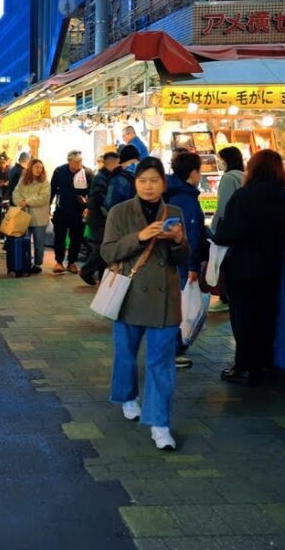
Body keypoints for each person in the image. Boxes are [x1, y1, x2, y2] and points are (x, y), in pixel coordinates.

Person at [101, 157, 190, 451]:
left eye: (154, 180)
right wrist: (139, 237)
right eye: (142, 181)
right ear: (135, 183)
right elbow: (107, 252)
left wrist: (178, 240)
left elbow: (183, 258)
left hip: (165, 300)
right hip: (129, 295)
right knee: (126, 354)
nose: (148, 187)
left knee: (161, 364)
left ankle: (160, 424)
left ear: (163, 183)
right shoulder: (119, 212)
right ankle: (127, 396)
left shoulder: (174, 211)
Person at [211, 149, 285, 386]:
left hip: (243, 268)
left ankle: (244, 367)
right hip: (272, 267)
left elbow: (229, 232)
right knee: (265, 317)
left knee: (244, 318)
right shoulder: (282, 197)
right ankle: (265, 365)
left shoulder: (245, 196)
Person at [165, 151, 207, 369]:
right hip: (181, 265)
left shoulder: (176, 193)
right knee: (177, 308)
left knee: (175, 307)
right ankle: (172, 350)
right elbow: (189, 235)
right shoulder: (186, 200)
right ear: (192, 173)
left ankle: (173, 347)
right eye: (199, 171)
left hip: (174, 262)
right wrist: (192, 266)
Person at [81, 151, 121, 286]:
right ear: (112, 163)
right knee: (101, 248)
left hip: (100, 217)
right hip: (99, 218)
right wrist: (109, 208)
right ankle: (86, 271)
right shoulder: (101, 177)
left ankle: (101, 275)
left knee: (103, 247)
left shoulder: (106, 176)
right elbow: (98, 197)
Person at [49, 150, 92, 274]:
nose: (79, 164)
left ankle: (72, 262)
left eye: (80, 161)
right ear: (69, 161)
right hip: (62, 210)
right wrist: (48, 207)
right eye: (76, 161)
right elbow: (52, 190)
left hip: (79, 212)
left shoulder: (87, 173)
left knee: (76, 238)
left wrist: (88, 207)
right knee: (59, 237)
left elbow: (92, 192)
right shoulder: (59, 171)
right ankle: (59, 262)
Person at [12, 159, 52, 275]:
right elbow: (16, 192)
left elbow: (44, 198)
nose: (39, 170)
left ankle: (38, 264)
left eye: (41, 167)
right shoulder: (23, 180)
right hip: (24, 216)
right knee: (25, 241)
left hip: (39, 218)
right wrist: (19, 202)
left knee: (39, 243)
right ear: (30, 168)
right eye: (36, 167)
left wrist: (27, 201)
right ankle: (26, 262)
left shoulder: (45, 182)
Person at [210, 146, 245, 236]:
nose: (218, 163)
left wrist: (214, 228)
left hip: (228, 228)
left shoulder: (228, 178)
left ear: (226, 161)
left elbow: (223, 206)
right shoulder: (245, 177)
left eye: (219, 160)